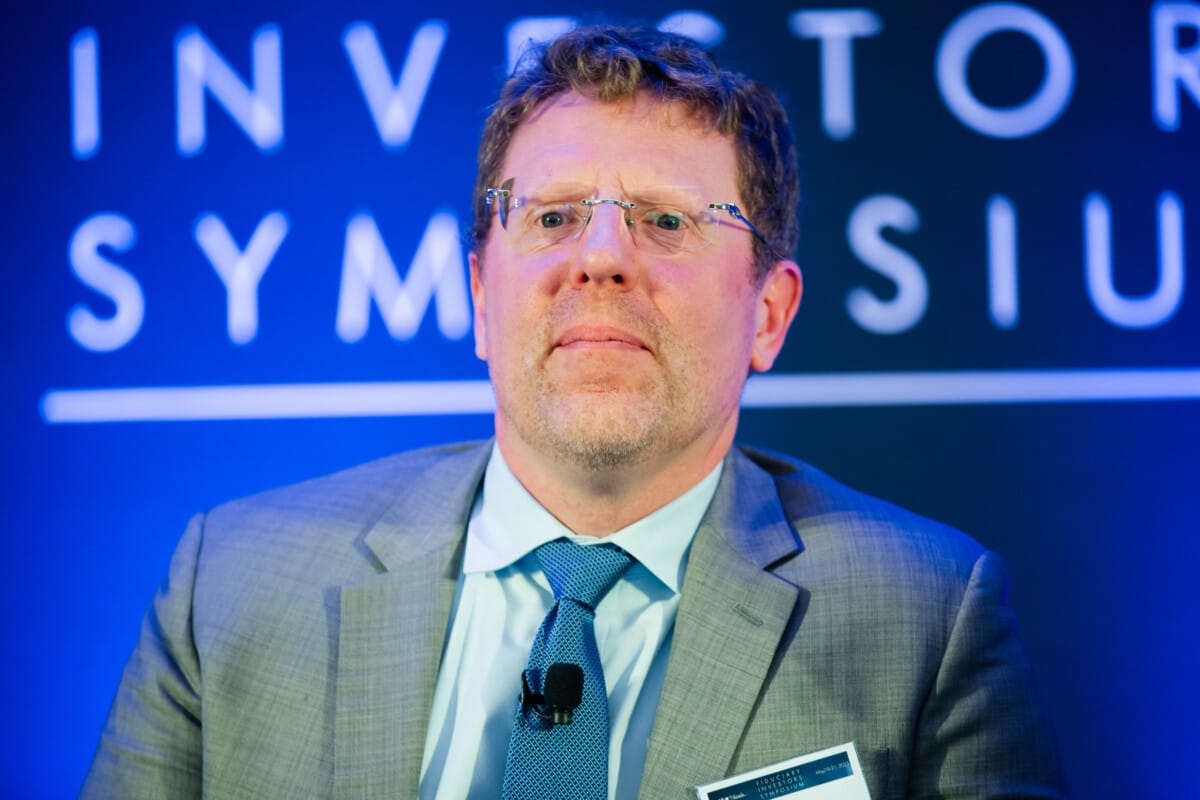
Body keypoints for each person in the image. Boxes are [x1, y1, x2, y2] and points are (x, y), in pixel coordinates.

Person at [81, 24, 1063, 800]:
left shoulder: (923, 616)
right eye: (551, 216)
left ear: (768, 313)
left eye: (666, 220)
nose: (599, 258)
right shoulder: (232, 584)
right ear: (480, 296)